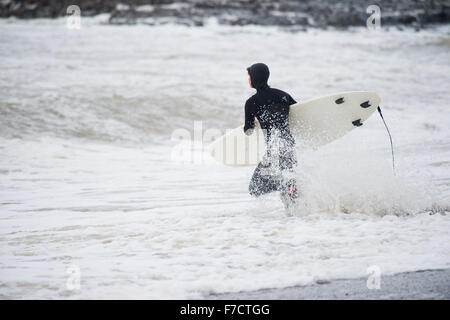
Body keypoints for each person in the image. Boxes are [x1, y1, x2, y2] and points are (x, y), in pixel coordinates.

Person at [244, 63, 299, 209]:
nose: (248, 79)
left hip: (273, 151)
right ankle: (298, 212)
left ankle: (287, 187)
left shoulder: (251, 103)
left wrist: (253, 124)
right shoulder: (283, 95)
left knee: (255, 188)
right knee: (288, 182)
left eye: (249, 76)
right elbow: (300, 115)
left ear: (254, 79)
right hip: (290, 147)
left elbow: (248, 130)